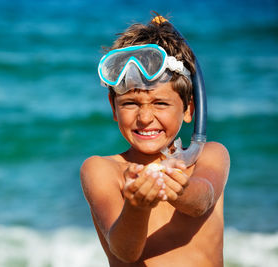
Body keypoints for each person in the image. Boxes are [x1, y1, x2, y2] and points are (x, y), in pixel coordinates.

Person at [80, 14, 230, 266]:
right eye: (130, 103)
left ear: (188, 109)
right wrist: (137, 208)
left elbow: (201, 202)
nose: (145, 117)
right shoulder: (103, 171)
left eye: (160, 103)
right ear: (113, 108)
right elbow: (124, 251)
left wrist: (179, 190)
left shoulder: (209, 155)